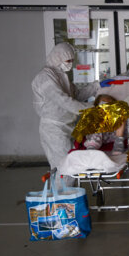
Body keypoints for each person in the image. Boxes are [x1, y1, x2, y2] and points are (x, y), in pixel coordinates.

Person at [31, 42, 113, 170]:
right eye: (68, 60)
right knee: (65, 168)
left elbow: (77, 95)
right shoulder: (45, 78)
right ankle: (63, 190)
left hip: (67, 126)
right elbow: (65, 102)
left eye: (71, 61)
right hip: (54, 129)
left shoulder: (61, 76)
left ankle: (68, 190)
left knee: (71, 167)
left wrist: (97, 86)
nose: (70, 63)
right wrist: (94, 108)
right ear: (58, 58)